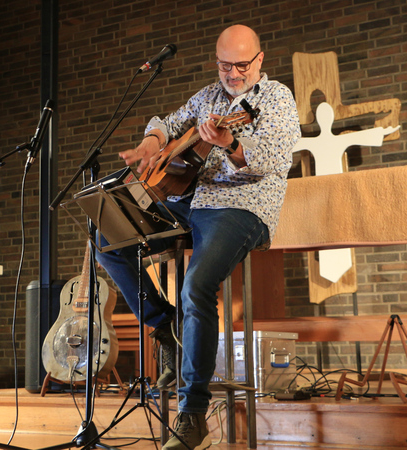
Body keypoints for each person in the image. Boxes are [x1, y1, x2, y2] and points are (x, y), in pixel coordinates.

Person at [95, 24, 300, 450]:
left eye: (242, 65)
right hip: (191, 201)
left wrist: (231, 145)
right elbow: (167, 123)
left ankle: (193, 416)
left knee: (197, 285)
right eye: (226, 65)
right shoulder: (207, 96)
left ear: (259, 60)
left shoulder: (275, 98)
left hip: (242, 208)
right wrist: (153, 143)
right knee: (107, 235)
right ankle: (165, 326)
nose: (233, 73)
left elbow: (277, 159)